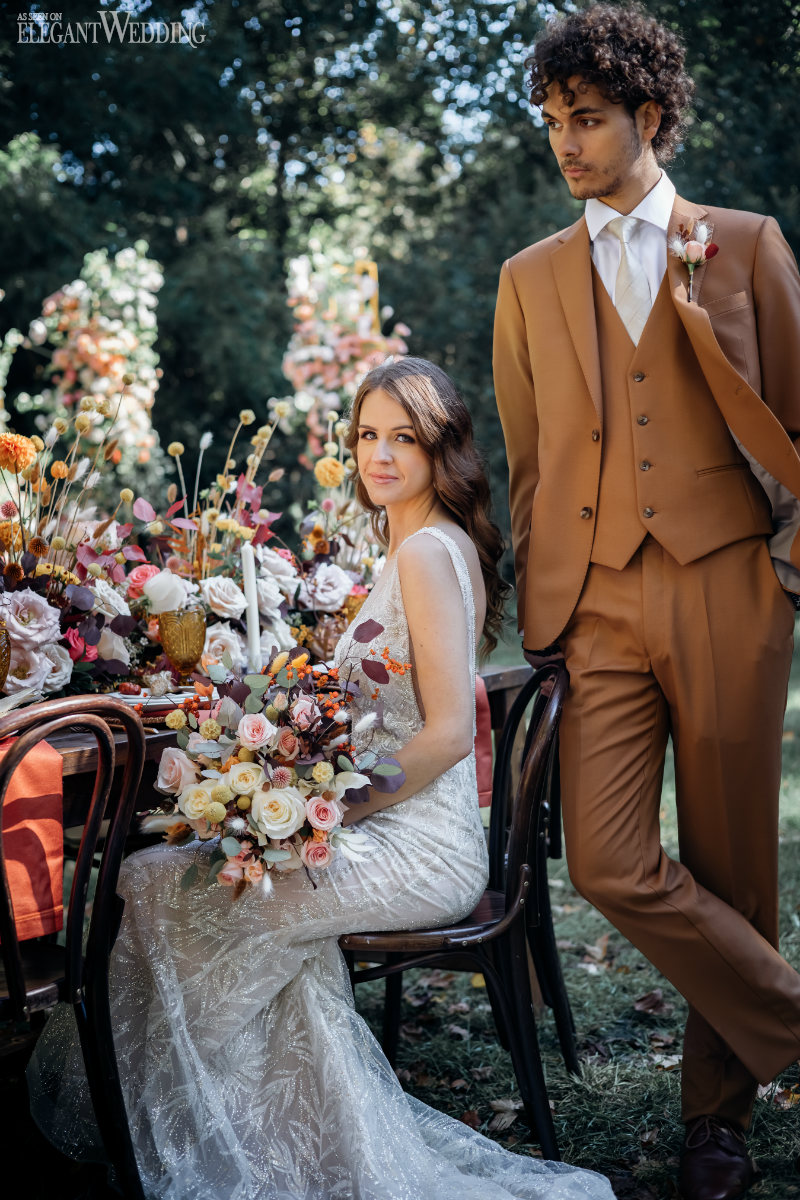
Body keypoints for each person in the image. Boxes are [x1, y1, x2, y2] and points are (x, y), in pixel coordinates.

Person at [28, 357, 614, 1200]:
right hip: (389, 831)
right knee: (198, 890)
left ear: (441, 449)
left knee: (154, 884)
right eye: (368, 435)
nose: (379, 455)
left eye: (402, 438)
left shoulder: (425, 554)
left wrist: (323, 809)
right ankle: (271, 1135)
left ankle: (199, 1130)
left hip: (419, 852)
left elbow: (450, 734)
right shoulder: (420, 544)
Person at [493, 5, 800, 1199]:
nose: (566, 143)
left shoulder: (743, 242)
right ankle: (787, 1014)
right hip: (596, 602)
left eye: (587, 119)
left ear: (649, 116)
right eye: (552, 122)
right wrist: (543, 605)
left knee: (729, 864)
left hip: (727, 581)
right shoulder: (525, 280)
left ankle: (714, 1120)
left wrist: (783, 570)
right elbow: (527, 463)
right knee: (611, 861)